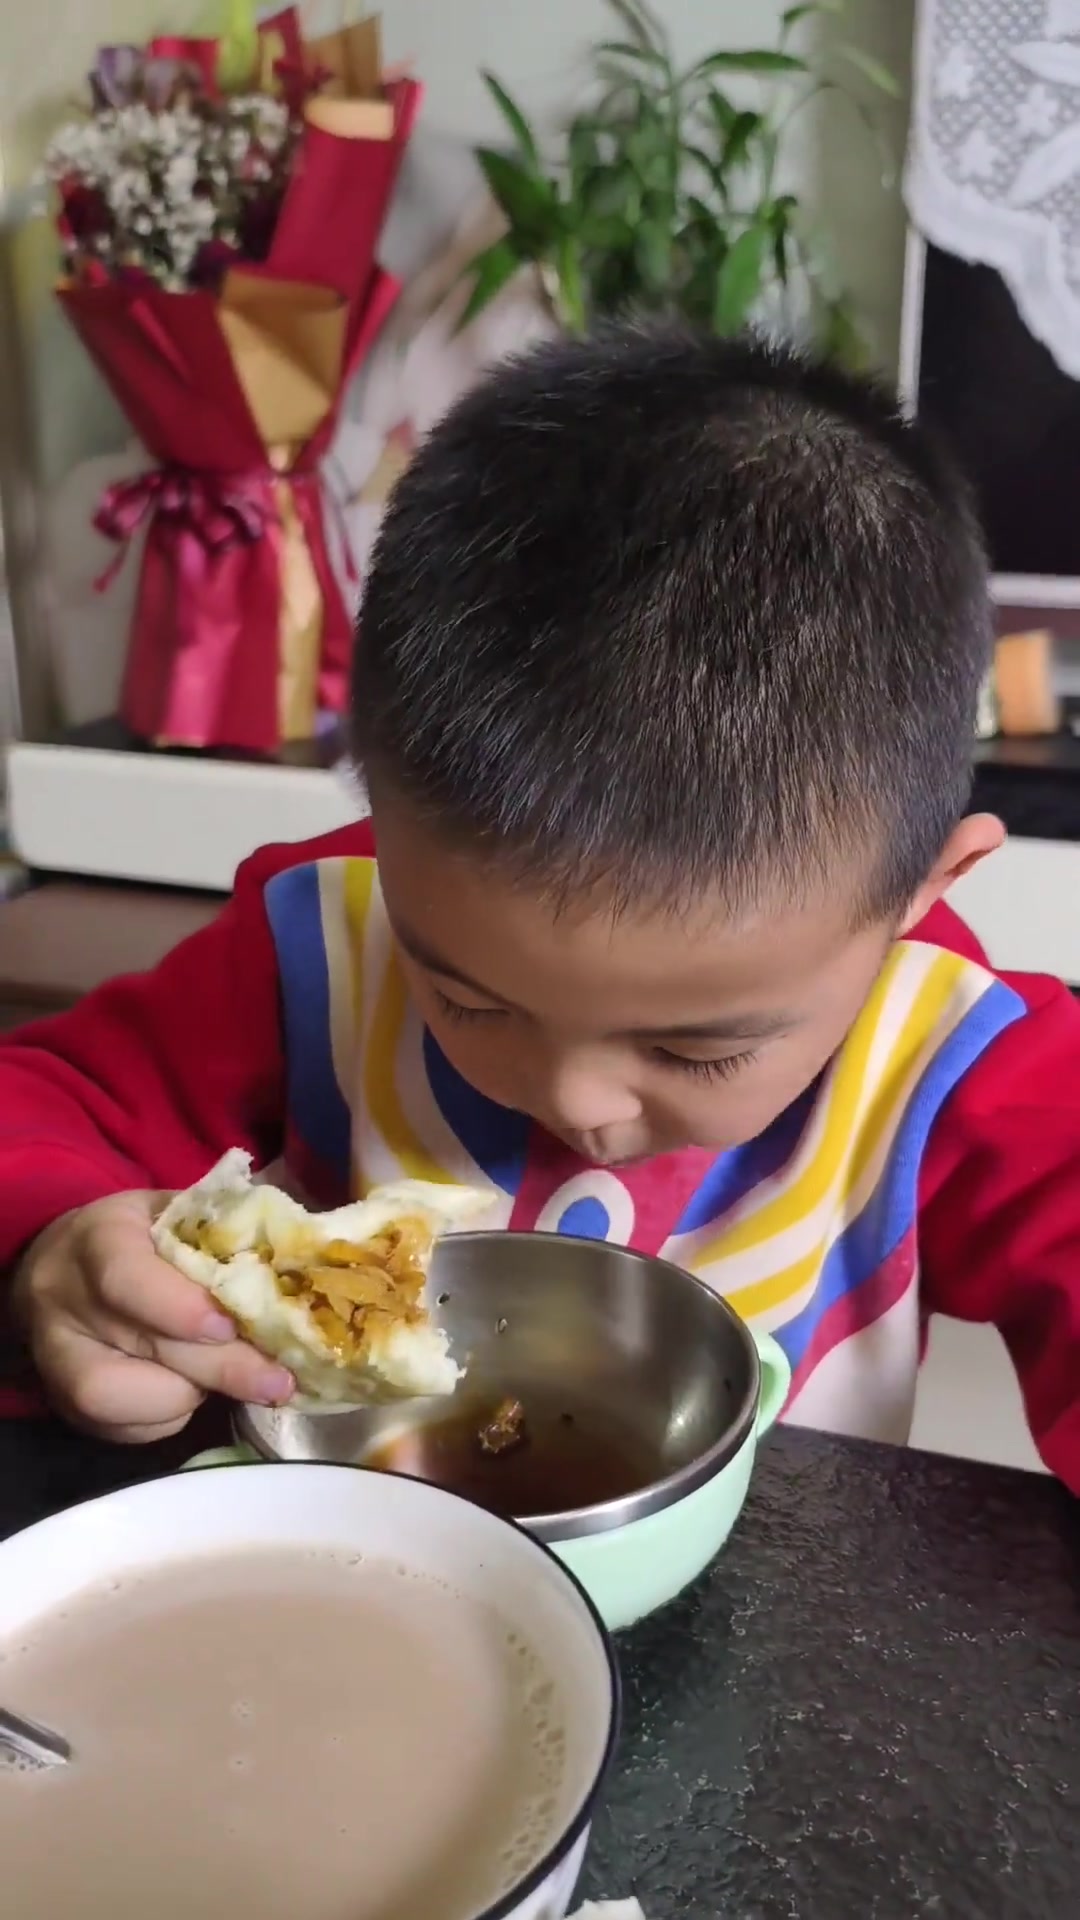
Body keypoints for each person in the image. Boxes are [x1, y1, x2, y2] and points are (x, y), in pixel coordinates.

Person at [3, 326, 1079, 1480]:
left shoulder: (952, 1047)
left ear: (920, 892)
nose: (574, 1100)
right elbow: (43, 1105)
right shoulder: (322, 942)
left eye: (696, 1050)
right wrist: (57, 1250)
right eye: (467, 1001)